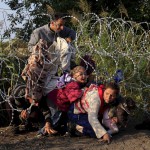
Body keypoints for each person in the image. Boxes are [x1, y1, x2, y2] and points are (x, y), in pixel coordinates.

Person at [21, 13, 76, 103]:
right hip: (40, 65)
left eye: (63, 25)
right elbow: (30, 47)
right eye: (60, 25)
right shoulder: (39, 32)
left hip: (54, 65)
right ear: (52, 23)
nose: (62, 28)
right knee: (37, 90)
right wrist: (45, 50)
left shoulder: (60, 30)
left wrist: (69, 37)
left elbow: (72, 33)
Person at [39, 66, 87, 136]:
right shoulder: (73, 84)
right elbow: (73, 98)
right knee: (55, 119)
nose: (84, 76)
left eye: (85, 74)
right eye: (81, 74)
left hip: (57, 101)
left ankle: (54, 129)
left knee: (58, 119)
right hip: (56, 102)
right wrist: (83, 91)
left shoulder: (74, 83)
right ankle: (42, 132)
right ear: (74, 75)